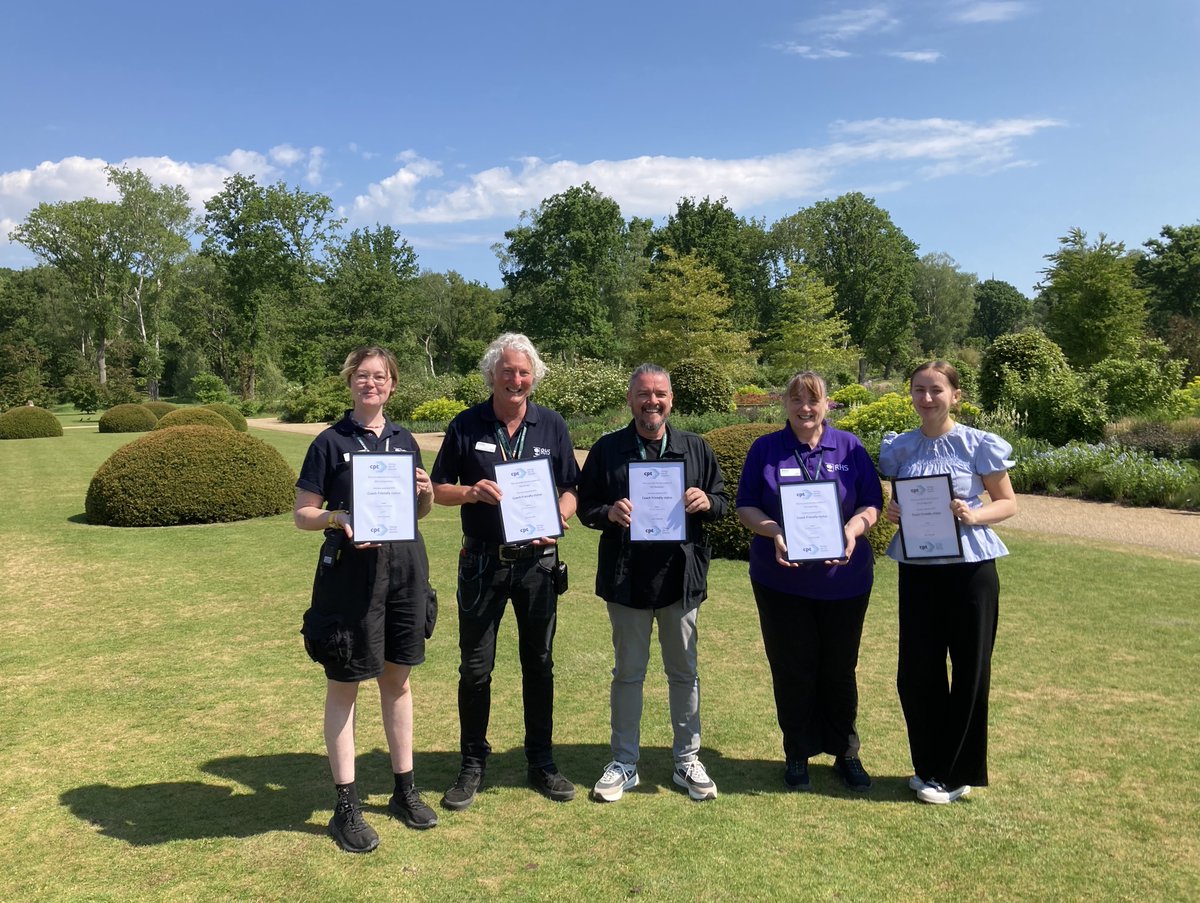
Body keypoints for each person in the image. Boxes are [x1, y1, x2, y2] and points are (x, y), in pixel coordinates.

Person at [294, 346, 438, 854]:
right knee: (345, 685)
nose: (370, 383)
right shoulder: (329, 442)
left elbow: (419, 511)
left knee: (398, 681)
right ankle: (346, 807)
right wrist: (338, 517)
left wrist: (426, 491)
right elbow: (303, 514)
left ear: (392, 384)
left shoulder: (405, 440)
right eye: (362, 375)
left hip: (405, 572)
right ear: (350, 382)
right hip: (350, 578)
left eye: (380, 376)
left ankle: (404, 791)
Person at [431, 333, 579, 810]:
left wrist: (560, 516)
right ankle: (472, 763)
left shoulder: (551, 424)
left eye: (524, 372)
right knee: (475, 669)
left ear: (533, 376)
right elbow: (437, 488)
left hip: (538, 565)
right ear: (492, 374)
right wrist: (471, 492)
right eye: (508, 371)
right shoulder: (465, 424)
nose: (516, 379)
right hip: (482, 563)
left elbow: (571, 488)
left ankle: (542, 762)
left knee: (539, 664)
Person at [577, 363, 727, 802]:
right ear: (630, 399)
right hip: (627, 580)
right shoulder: (608, 449)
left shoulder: (695, 447)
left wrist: (706, 501)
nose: (652, 402)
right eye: (643, 394)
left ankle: (687, 760)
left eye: (660, 394)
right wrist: (608, 513)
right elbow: (585, 506)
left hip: (680, 581)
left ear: (671, 399)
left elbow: (722, 501)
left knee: (684, 673)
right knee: (628, 674)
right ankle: (624, 762)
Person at [735, 371, 882, 793]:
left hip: (844, 582)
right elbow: (746, 505)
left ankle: (845, 752)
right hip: (781, 583)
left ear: (826, 404)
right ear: (785, 403)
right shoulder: (766, 449)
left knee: (840, 669)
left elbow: (872, 503)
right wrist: (774, 532)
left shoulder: (850, 447)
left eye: (813, 400)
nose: (805, 408)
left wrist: (853, 529)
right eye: (797, 399)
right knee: (792, 668)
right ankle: (797, 751)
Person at [879, 360, 1017, 805]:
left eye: (936, 390)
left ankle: (957, 773)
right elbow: (901, 502)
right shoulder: (900, 448)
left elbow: (1007, 503)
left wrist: (974, 515)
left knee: (970, 669)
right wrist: (893, 511)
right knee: (917, 671)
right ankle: (929, 766)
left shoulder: (978, 444)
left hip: (970, 570)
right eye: (919, 389)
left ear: (955, 395)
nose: (927, 398)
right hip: (918, 568)